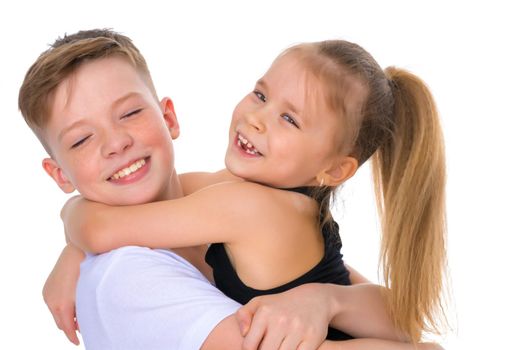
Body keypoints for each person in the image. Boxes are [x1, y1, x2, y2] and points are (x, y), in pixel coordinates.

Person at [19, 29, 435, 350]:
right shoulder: (248, 194)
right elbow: (403, 317)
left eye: (290, 119)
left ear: (334, 169)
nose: (256, 119)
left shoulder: (244, 206)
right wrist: (327, 299)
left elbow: (98, 229)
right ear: (58, 172)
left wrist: (70, 220)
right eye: (260, 94)